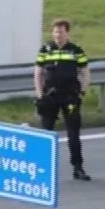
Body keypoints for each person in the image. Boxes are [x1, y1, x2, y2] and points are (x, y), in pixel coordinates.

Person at [34, 18, 92, 181]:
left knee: (73, 134)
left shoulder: (76, 51)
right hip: (50, 97)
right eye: (55, 32)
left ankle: (78, 167)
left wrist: (82, 92)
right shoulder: (45, 50)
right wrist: (39, 94)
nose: (57, 35)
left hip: (70, 97)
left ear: (67, 33)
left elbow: (85, 72)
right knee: (46, 133)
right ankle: (42, 169)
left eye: (61, 32)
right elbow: (38, 73)